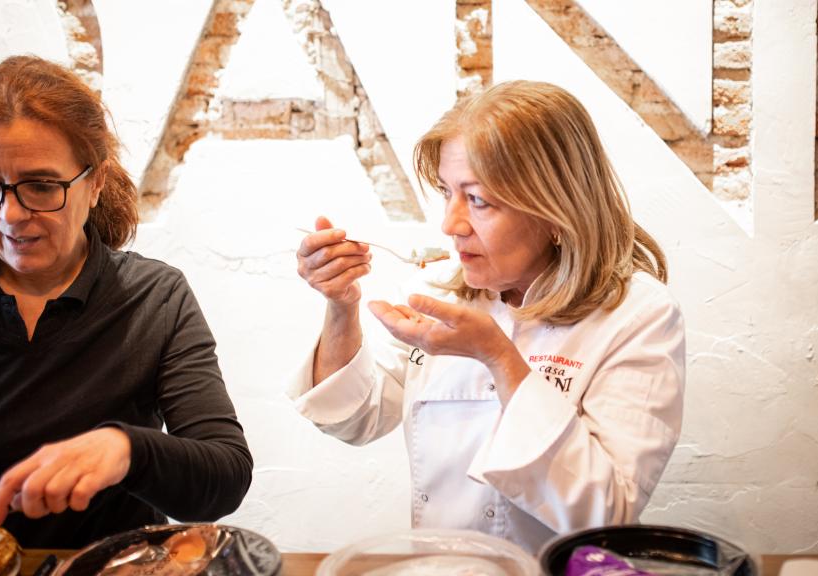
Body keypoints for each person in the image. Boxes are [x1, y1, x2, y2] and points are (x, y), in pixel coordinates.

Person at [289, 80, 685, 552]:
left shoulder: (639, 316)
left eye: (477, 199)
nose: (450, 225)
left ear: (556, 212)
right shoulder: (435, 291)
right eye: (447, 192)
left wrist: (498, 357)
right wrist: (341, 305)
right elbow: (354, 419)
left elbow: (608, 511)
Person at [0, 55, 252, 548]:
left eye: (41, 186)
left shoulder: (153, 298)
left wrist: (129, 449)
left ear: (94, 183)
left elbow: (225, 478)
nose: (9, 215)